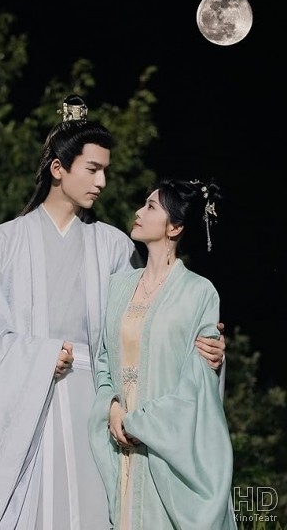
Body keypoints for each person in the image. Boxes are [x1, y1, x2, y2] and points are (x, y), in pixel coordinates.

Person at [0, 96, 226, 530]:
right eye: (92, 169)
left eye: (105, 170)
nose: (102, 181)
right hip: (24, 407)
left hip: (96, 405)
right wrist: (35, 356)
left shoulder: (113, 246)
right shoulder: (1, 243)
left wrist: (202, 338)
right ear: (58, 169)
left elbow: (146, 323)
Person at [88, 177, 237, 530]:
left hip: (165, 454)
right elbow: (103, 358)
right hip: (117, 446)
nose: (139, 212)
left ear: (175, 227)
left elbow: (197, 385)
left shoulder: (200, 293)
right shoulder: (118, 286)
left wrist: (139, 423)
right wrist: (111, 407)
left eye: (151, 207)